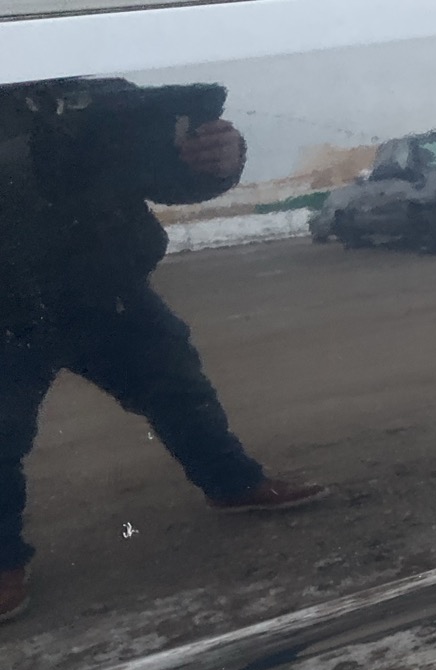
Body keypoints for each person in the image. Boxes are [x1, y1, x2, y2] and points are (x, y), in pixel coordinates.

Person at [0, 78, 326, 621]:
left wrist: (217, 162)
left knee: (178, 387)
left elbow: (164, 175)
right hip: (5, 303)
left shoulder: (95, 86)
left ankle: (232, 483)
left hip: (104, 286)